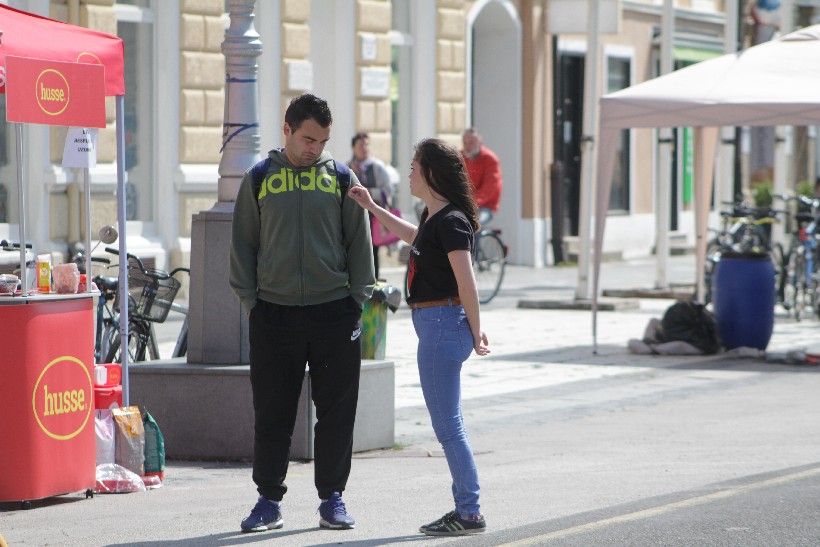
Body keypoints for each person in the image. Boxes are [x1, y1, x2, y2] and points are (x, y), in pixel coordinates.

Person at [229, 93, 375, 534]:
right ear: (287, 130)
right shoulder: (259, 177)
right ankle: (268, 501)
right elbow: (244, 245)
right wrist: (252, 303)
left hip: (335, 313)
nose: (315, 148)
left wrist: (356, 300)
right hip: (274, 314)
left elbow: (358, 243)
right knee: (272, 412)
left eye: (323, 140)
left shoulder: (340, 177)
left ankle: (333, 499)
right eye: (308, 138)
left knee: (336, 412)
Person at [348, 138, 491, 537]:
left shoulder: (451, 221)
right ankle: (468, 508)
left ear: (430, 173)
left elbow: (468, 283)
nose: (408, 172)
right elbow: (416, 237)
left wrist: (477, 330)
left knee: (449, 428)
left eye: (413, 166)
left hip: (443, 327)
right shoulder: (437, 219)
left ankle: (469, 512)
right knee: (451, 425)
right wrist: (374, 209)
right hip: (440, 325)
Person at [348, 132, 394, 278]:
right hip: (353, 218)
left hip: (373, 217)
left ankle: (374, 286)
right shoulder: (348, 167)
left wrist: (369, 193)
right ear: (353, 148)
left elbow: (388, 189)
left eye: (366, 145)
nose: (364, 148)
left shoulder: (377, 167)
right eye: (361, 145)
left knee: (373, 252)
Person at [461, 128, 503, 226]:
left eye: (471, 142)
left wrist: (472, 203)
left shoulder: (490, 159)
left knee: (475, 224)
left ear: (480, 142)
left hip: (485, 206)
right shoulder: (460, 157)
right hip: (464, 204)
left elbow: (491, 186)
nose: (467, 146)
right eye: (465, 142)